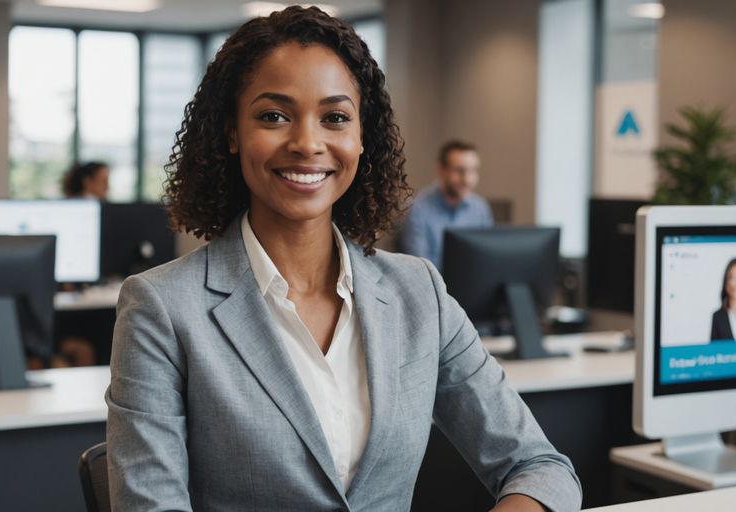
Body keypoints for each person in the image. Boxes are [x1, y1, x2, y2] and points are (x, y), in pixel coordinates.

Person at [104, 7, 580, 512]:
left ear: (360, 138)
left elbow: (540, 467)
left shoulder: (418, 292)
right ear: (231, 133)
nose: (308, 143)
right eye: (273, 116)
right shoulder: (162, 308)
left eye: (335, 117)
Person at [400, 139, 494, 272]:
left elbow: (488, 257)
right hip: (433, 288)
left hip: (471, 287)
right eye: (459, 171)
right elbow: (419, 269)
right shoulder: (417, 209)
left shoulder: (480, 208)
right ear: (441, 170)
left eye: (473, 171)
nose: (467, 179)